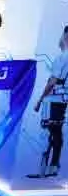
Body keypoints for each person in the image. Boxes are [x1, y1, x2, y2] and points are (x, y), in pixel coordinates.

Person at [32, 28, 68, 177]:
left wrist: (40, 99)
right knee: (56, 132)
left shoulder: (62, 57)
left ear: (65, 36)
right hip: (63, 99)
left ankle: (42, 170)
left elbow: (52, 82)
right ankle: (53, 167)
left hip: (53, 98)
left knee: (47, 132)